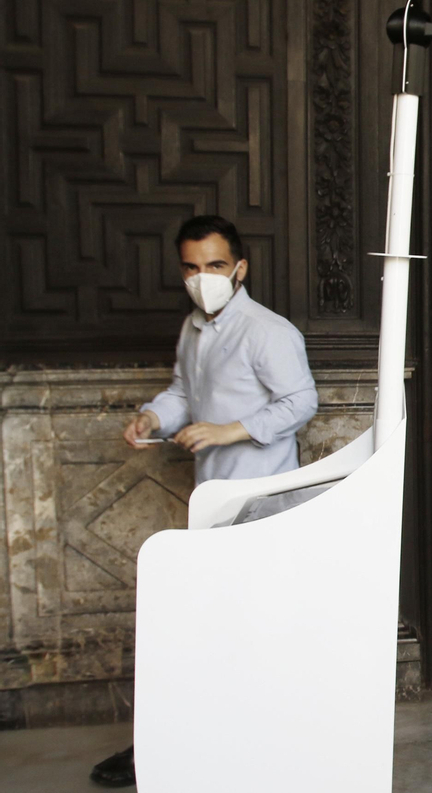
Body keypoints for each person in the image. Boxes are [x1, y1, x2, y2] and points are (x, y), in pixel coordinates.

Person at [94, 214, 318, 788]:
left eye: (215, 265)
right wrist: (154, 415)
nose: (203, 277)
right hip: (212, 500)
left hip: (260, 499)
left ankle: (254, 745)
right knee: (210, 627)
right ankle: (182, 743)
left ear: (240, 268)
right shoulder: (194, 328)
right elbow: (182, 391)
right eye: (192, 267)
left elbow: (300, 403)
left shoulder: (267, 331)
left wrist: (229, 428)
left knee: (246, 628)